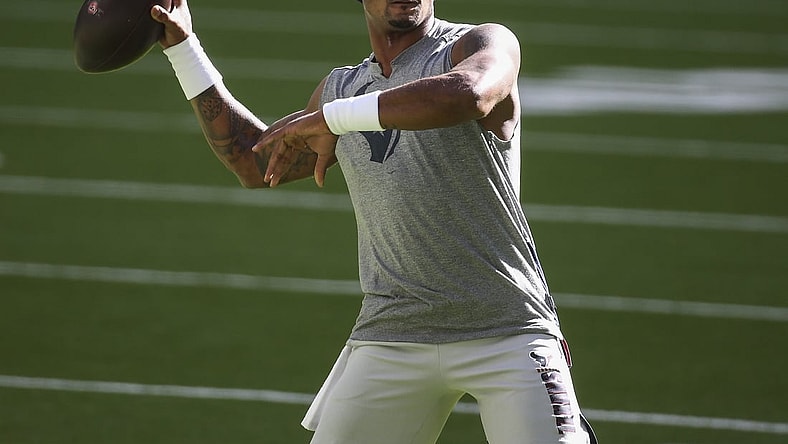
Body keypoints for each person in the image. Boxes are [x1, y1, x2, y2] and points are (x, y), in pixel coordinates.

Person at [151, 0, 597, 443]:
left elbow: (470, 93)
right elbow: (254, 164)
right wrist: (184, 50)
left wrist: (335, 119)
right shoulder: (340, 88)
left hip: (508, 328)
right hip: (393, 332)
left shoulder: (476, 43)